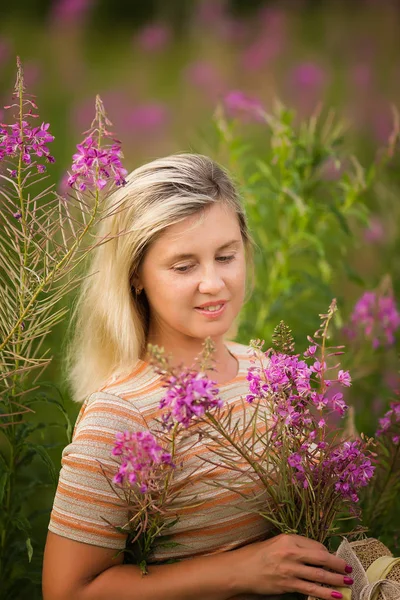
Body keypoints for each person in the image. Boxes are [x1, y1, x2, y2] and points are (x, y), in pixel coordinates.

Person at [42, 154, 353, 600]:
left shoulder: (268, 373)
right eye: (184, 266)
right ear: (135, 275)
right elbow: (67, 591)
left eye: (226, 256)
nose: (213, 283)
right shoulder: (119, 415)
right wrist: (240, 571)